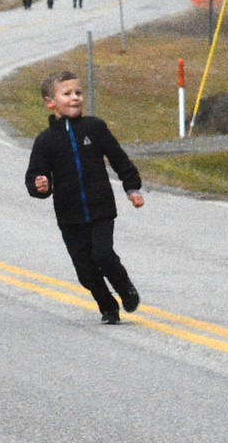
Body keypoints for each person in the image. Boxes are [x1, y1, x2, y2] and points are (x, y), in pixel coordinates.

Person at [25, 71, 143, 324]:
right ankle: (108, 306)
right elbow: (35, 176)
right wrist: (40, 185)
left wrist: (132, 188)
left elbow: (119, 159)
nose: (75, 98)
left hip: (101, 208)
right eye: (67, 94)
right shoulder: (46, 141)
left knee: (103, 255)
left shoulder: (95, 128)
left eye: (78, 93)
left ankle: (125, 289)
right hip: (69, 216)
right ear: (50, 102)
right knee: (85, 272)